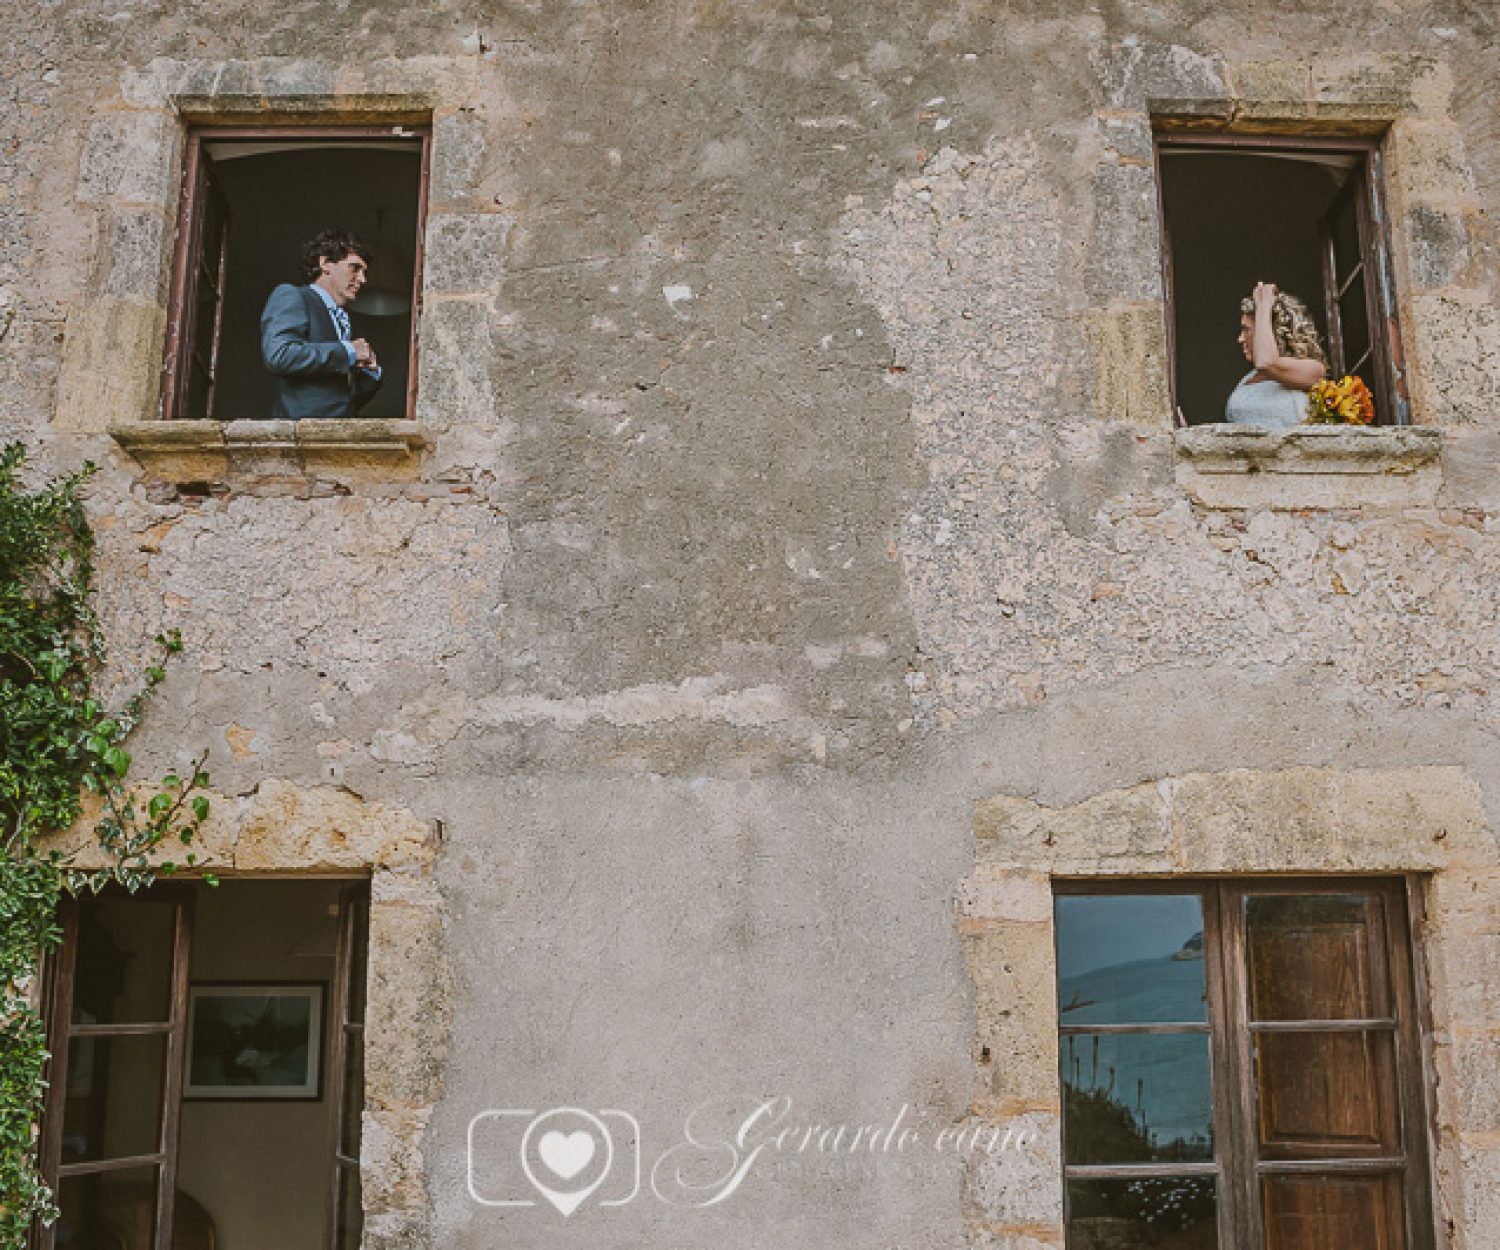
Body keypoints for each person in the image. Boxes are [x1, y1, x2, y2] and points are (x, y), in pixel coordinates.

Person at [260, 229, 383, 419]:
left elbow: (335, 401)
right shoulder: (292, 295)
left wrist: (370, 374)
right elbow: (279, 354)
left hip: (337, 439)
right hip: (300, 438)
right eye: (355, 268)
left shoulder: (342, 319)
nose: (362, 279)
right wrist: (348, 351)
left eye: (364, 272)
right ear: (325, 263)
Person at [1224, 282, 1326, 427]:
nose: (1240, 339)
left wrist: (1263, 307)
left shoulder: (1314, 370)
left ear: (1272, 330)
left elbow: (1267, 363)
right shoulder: (1248, 378)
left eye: (1246, 330)